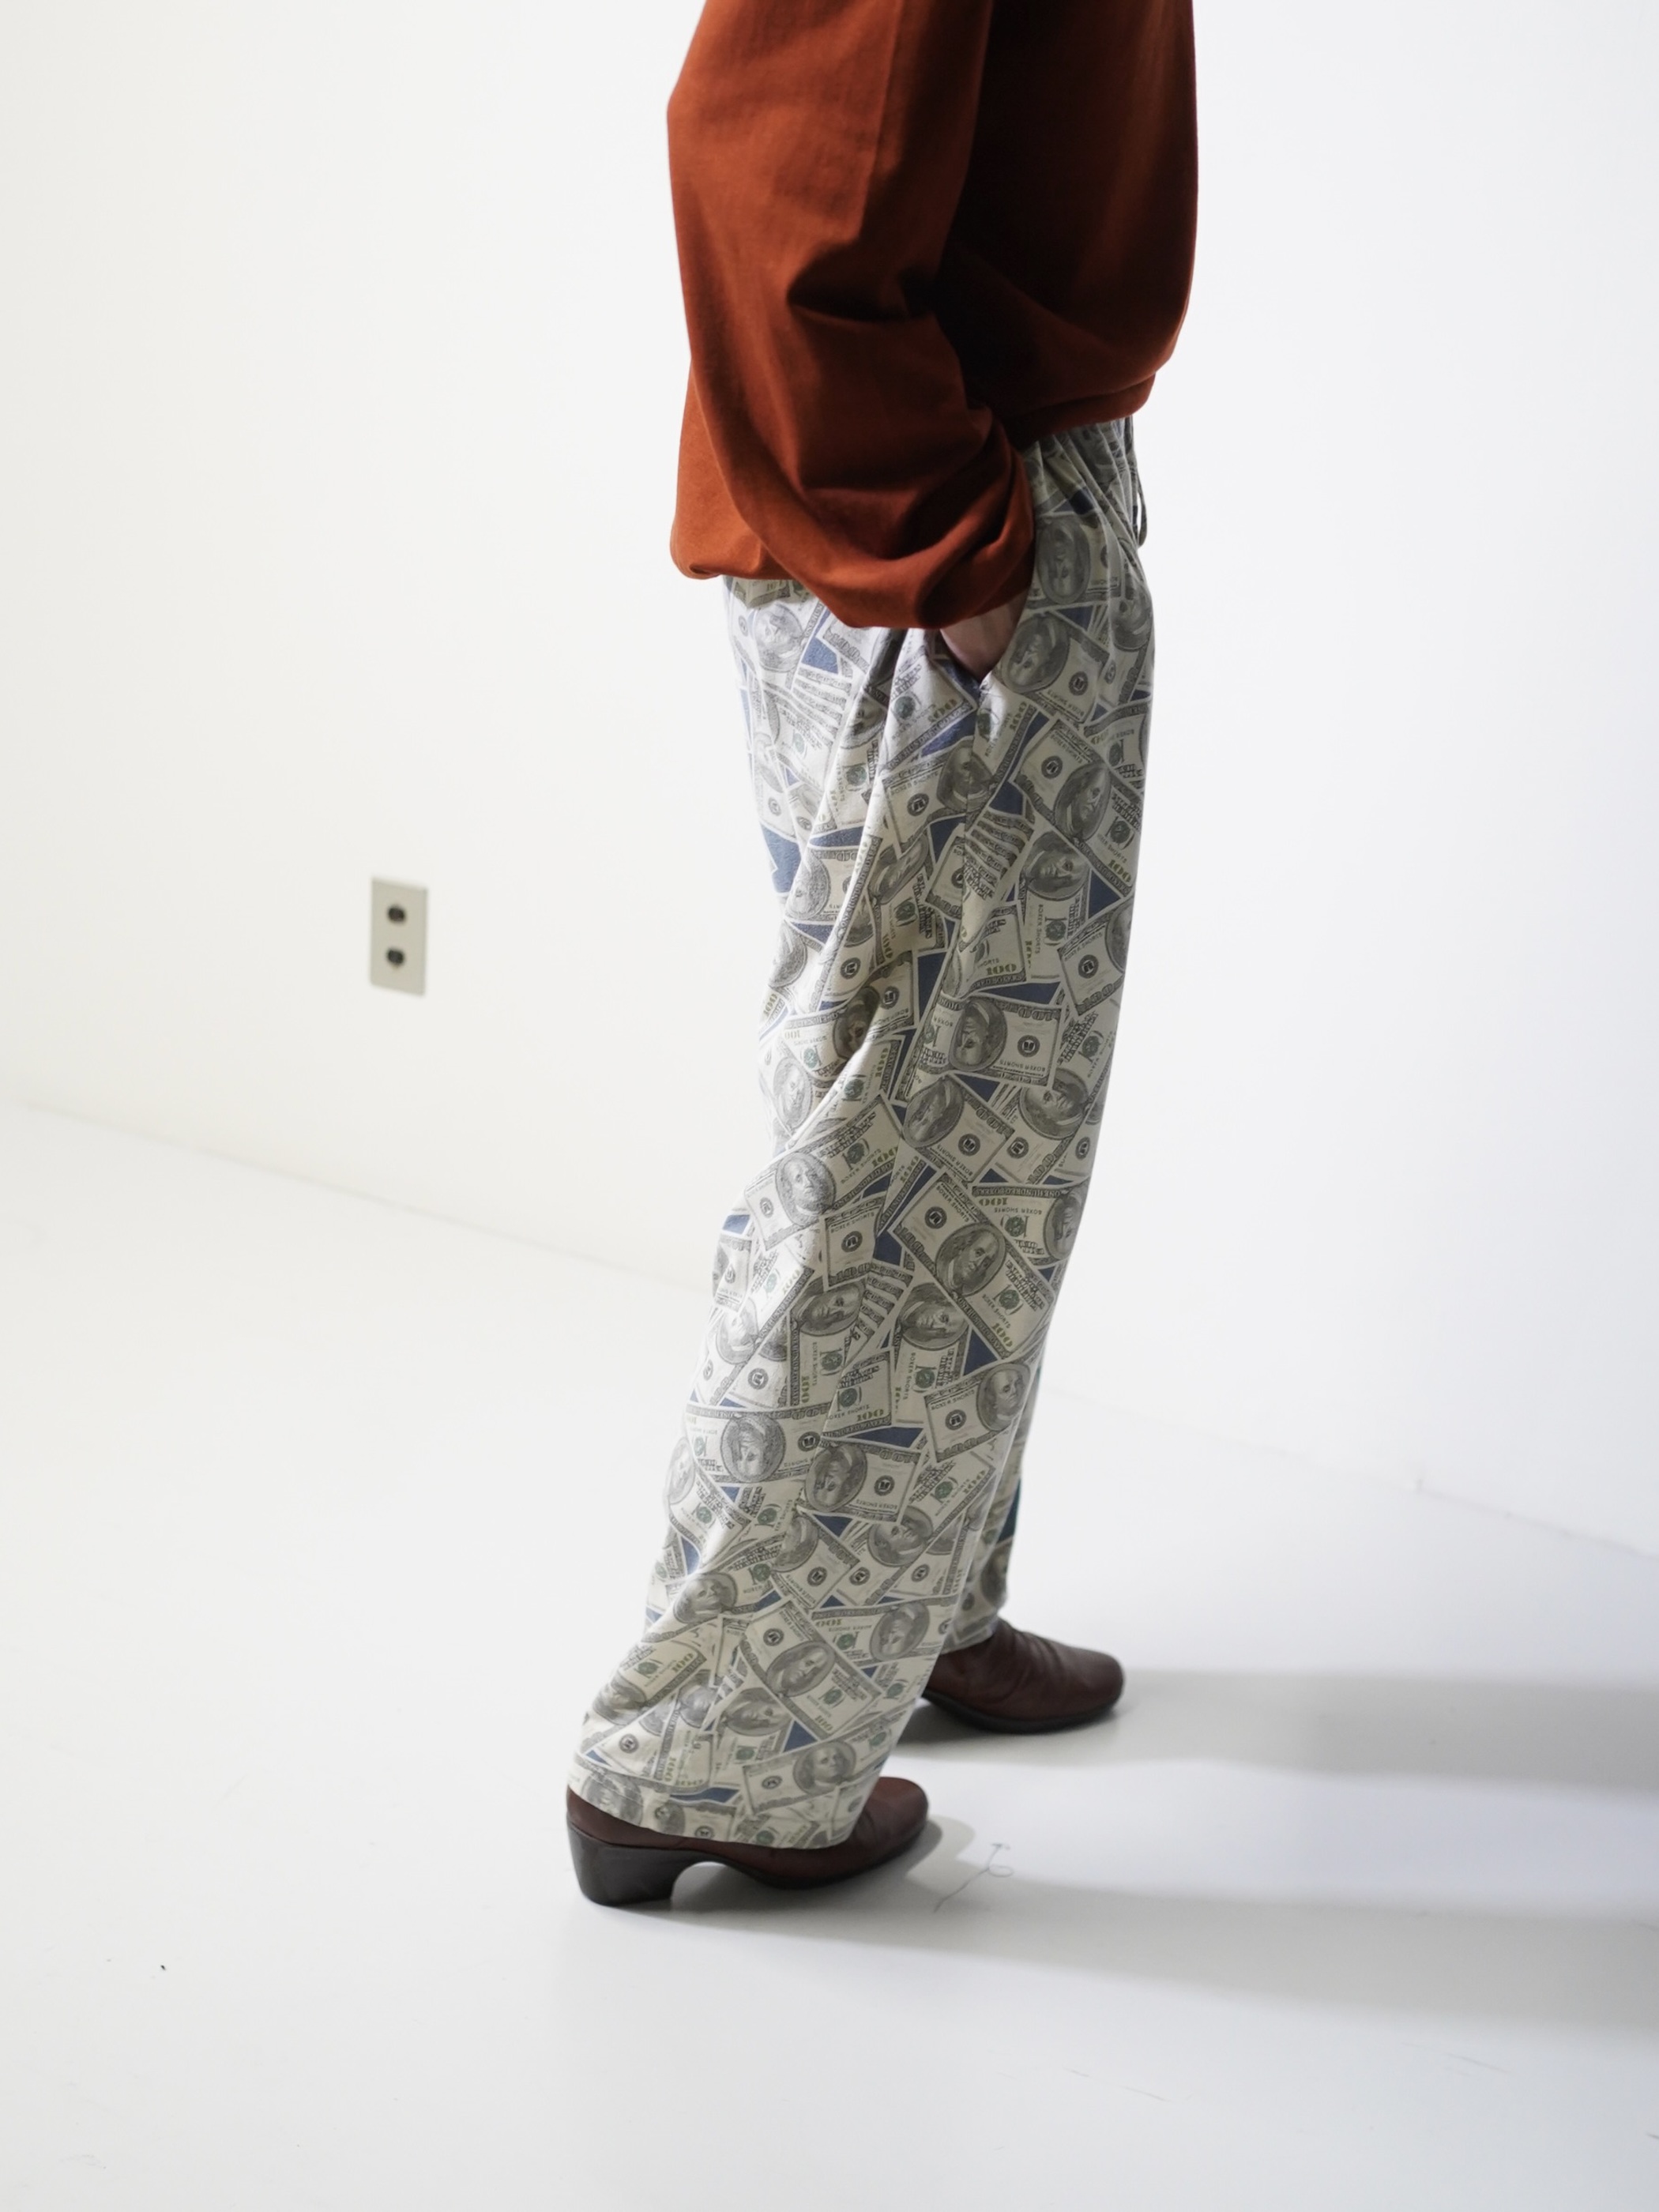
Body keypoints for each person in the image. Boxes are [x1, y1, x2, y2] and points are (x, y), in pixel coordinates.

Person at [566, 0, 1198, 1909]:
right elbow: (763, 175)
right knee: (893, 1159)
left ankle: (906, 1606)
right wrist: (954, 552)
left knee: (975, 1143)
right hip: (923, 552)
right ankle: (701, 1757)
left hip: (974, 506)